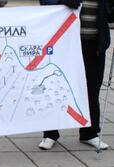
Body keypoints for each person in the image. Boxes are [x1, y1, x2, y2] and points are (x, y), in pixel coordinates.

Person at [38, 0, 112, 150]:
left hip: (94, 45)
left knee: (92, 90)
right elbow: (45, 2)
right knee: (54, 87)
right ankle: (50, 134)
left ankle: (89, 133)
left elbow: (109, 14)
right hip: (65, 42)